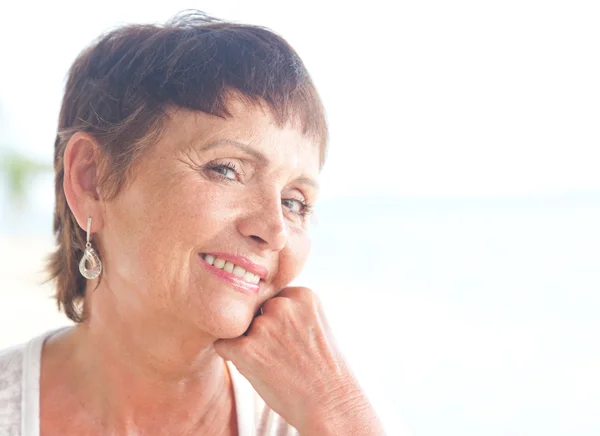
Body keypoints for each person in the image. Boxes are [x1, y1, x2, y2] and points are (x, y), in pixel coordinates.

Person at [0, 11, 385, 436]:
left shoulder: (325, 416)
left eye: (295, 202)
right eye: (226, 169)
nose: (275, 229)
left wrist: (338, 414)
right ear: (92, 179)